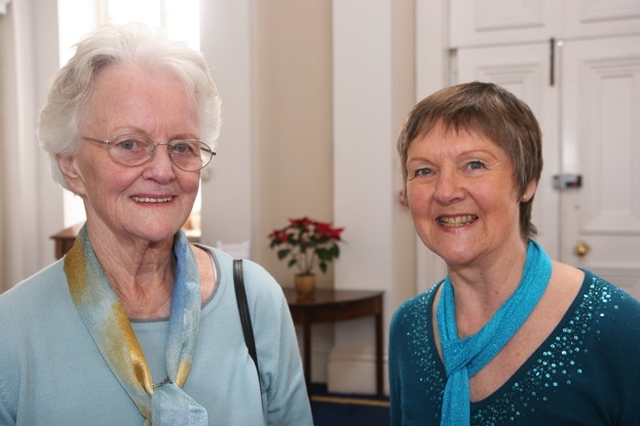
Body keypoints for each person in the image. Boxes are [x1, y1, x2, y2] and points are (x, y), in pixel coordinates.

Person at [0, 24, 312, 426]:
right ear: (70, 163)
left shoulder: (253, 299)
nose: (163, 171)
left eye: (182, 146)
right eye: (129, 144)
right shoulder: (11, 329)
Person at [388, 82, 640, 425]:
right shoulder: (408, 327)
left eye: (474, 164)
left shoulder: (616, 327)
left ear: (526, 182)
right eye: (424, 171)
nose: (445, 192)